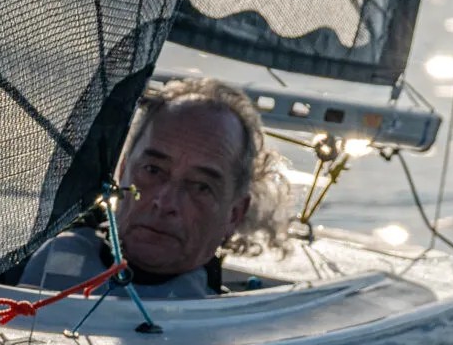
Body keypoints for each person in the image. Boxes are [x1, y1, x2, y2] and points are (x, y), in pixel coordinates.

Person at [16, 77, 289, 299]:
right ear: (122, 172)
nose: (165, 202)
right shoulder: (45, 257)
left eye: (201, 187)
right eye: (153, 170)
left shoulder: (235, 336)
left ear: (234, 214)